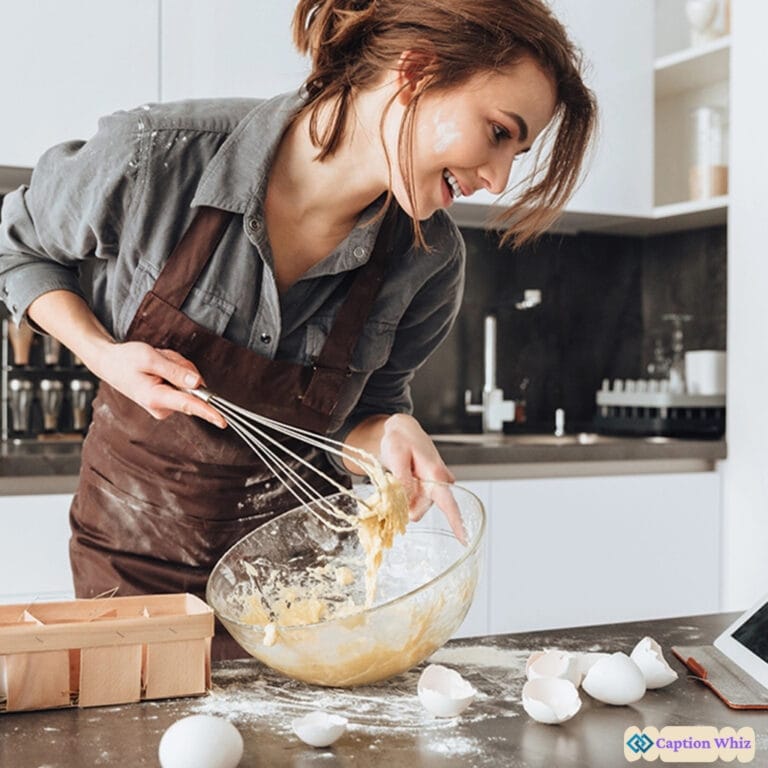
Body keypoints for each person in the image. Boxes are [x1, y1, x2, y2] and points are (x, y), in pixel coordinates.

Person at [0, 0, 595, 657]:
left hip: (303, 585)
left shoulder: (428, 261)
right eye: (498, 133)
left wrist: (386, 431)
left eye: (519, 153)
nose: (499, 179)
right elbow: (16, 247)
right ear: (417, 73)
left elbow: (360, 415)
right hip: (132, 565)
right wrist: (102, 353)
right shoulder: (157, 158)